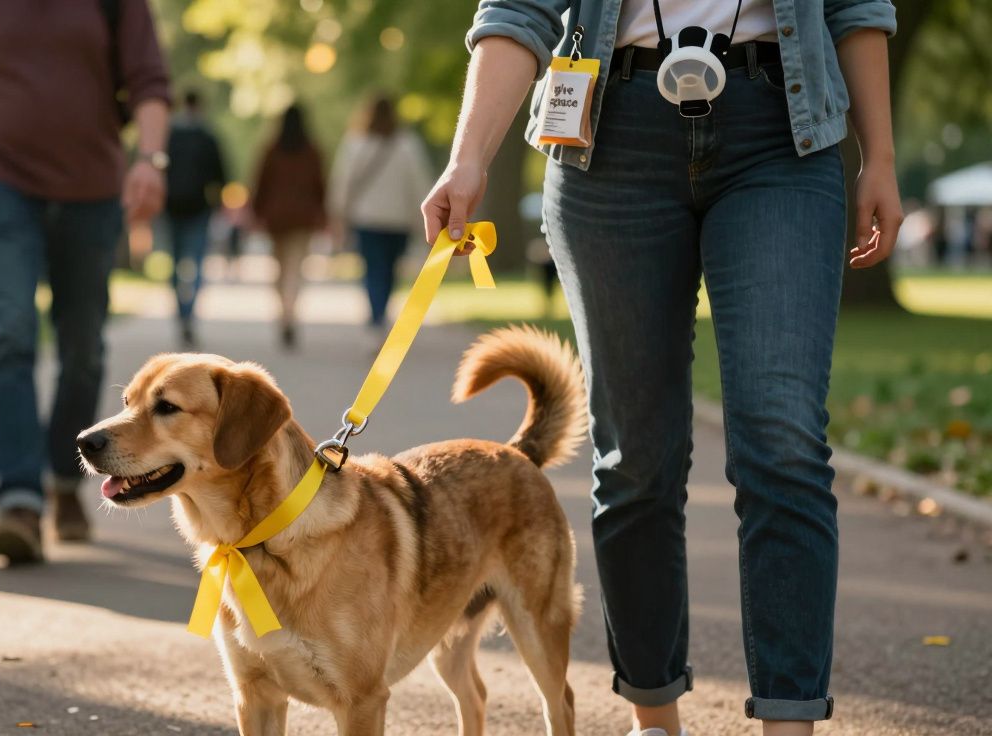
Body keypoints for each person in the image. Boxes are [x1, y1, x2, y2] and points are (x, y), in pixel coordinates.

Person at [423, 1, 901, 735]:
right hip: (609, 137)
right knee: (636, 459)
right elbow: (519, 9)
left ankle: (789, 722)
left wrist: (881, 158)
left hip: (780, 130)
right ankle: (655, 718)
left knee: (782, 442)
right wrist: (468, 156)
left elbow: (854, 6)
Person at [0, 0, 170, 563]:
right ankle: (19, 500)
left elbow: (149, 80)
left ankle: (65, 476)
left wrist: (150, 160)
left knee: (82, 346)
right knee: (9, 333)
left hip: (91, 192)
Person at [328, 94, 432, 334]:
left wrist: (338, 213)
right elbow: (418, 184)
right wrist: (422, 219)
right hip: (398, 220)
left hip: (367, 219)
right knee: (389, 270)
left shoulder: (356, 143)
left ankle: (375, 316)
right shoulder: (408, 144)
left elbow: (343, 182)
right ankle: (380, 314)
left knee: (372, 268)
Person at [251, 104, 326, 349]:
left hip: (277, 219)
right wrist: (322, 214)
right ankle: (290, 314)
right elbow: (320, 186)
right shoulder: (312, 151)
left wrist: (256, 213)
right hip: (303, 218)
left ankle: (284, 314)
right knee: (295, 269)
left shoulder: (272, 149)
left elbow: (260, 184)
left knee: (281, 270)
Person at [164, 89, 226, 348]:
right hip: (200, 209)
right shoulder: (207, 137)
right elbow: (221, 176)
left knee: (176, 262)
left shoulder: (170, 137)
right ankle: (190, 312)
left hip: (172, 208)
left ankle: (181, 310)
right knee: (197, 262)